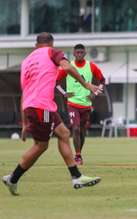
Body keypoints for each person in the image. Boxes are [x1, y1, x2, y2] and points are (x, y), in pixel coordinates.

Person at [2, 32, 102, 196]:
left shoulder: (27, 61)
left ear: (36, 45)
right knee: (41, 145)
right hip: (42, 107)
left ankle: (76, 177)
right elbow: (68, 67)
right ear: (51, 43)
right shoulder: (52, 52)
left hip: (33, 106)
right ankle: (13, 178)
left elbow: (25, 92)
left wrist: (24, 122)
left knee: (64, 133)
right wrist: (87, 85)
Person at [57, 44, 105, 165]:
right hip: (72, 103)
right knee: (76, 128)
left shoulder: (91, 66)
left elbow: (102, 80)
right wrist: (64, 93)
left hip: (86, 104)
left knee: (82, 131)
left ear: (85, 53)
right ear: (73, 53)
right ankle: (77, 156)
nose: (79, 54)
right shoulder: (68, 66)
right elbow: (56, 81)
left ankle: (78, 153)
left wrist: (96, 93)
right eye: (77, 52)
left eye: (81, 52)